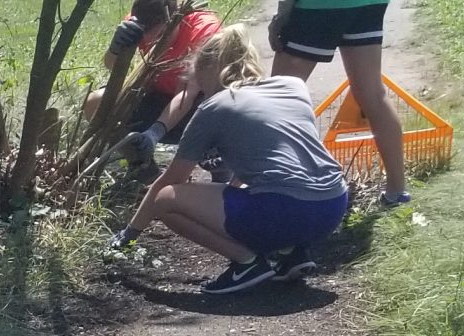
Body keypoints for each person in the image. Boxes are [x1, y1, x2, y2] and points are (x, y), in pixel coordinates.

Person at [112, 28, 349, 295]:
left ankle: (247, 263)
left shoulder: (215, 107)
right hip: (332, 206)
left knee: (166, 200)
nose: (200, 91)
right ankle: (290, 252)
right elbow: (276, 158)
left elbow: (170, 181)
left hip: (286, 210)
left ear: (208, 69)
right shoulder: (293, 86)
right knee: (261, 194)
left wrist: (129, 234)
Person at [267, 0, 409, 206]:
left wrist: (282, 16)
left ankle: (263, 188)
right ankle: (397, 191)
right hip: (369, 4)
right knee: (373, 94)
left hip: (319, 7)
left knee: (276, 99)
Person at [86, 0, 224, 165]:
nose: (152, 43)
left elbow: (187, 94)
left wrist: (155, 132)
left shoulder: (203, 30)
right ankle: (142, 166)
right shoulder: (139, 20)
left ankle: (219, 166)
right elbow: (111, 66)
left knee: (217, 123)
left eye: (160, 36)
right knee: (95, 102)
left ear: (177, 19)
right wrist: (115, 48)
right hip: (157, 97)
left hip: (195, 108)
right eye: (146, 37)